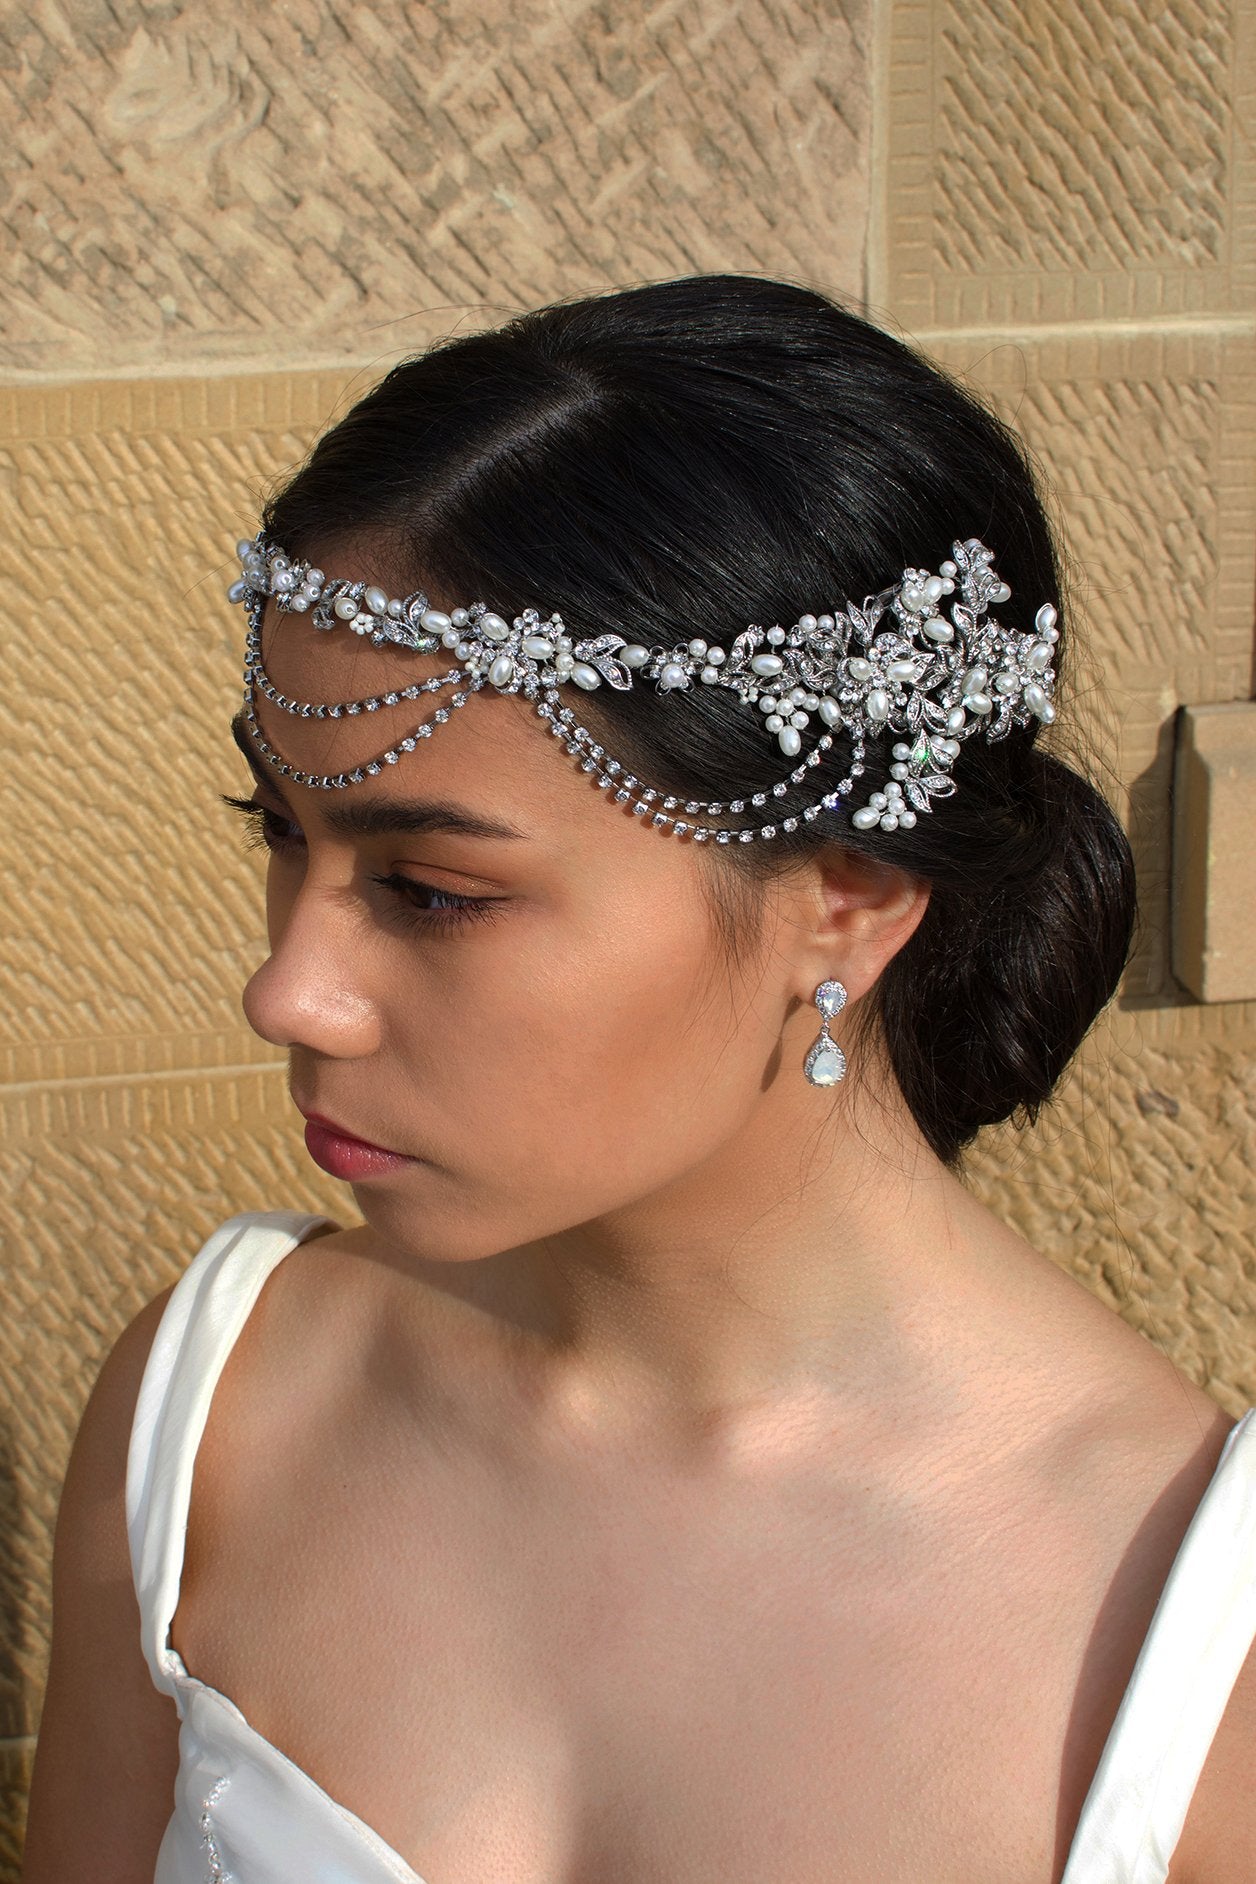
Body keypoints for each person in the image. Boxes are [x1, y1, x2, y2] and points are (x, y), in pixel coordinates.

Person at [23, 274, 1254, 1883]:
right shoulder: (217, 1416)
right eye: (283, 836)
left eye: (434, 891)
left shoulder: (1189, 1655)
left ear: (852, 897)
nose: (289, 990)